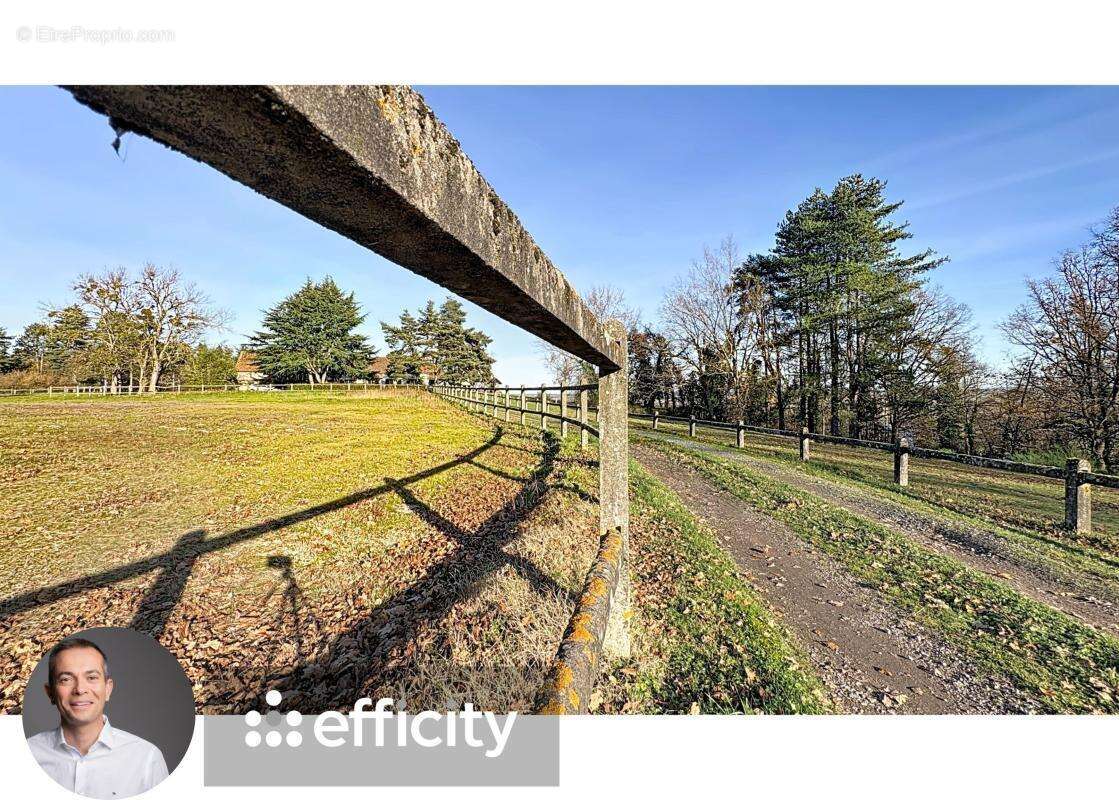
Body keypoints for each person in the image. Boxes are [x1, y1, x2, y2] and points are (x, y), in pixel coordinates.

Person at [26, 637, 169, 799]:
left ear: (108, 689)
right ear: (50, 692)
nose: (80, 689)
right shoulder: (23, 756)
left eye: (92, 677)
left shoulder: (146, 759)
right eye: (66, 679)